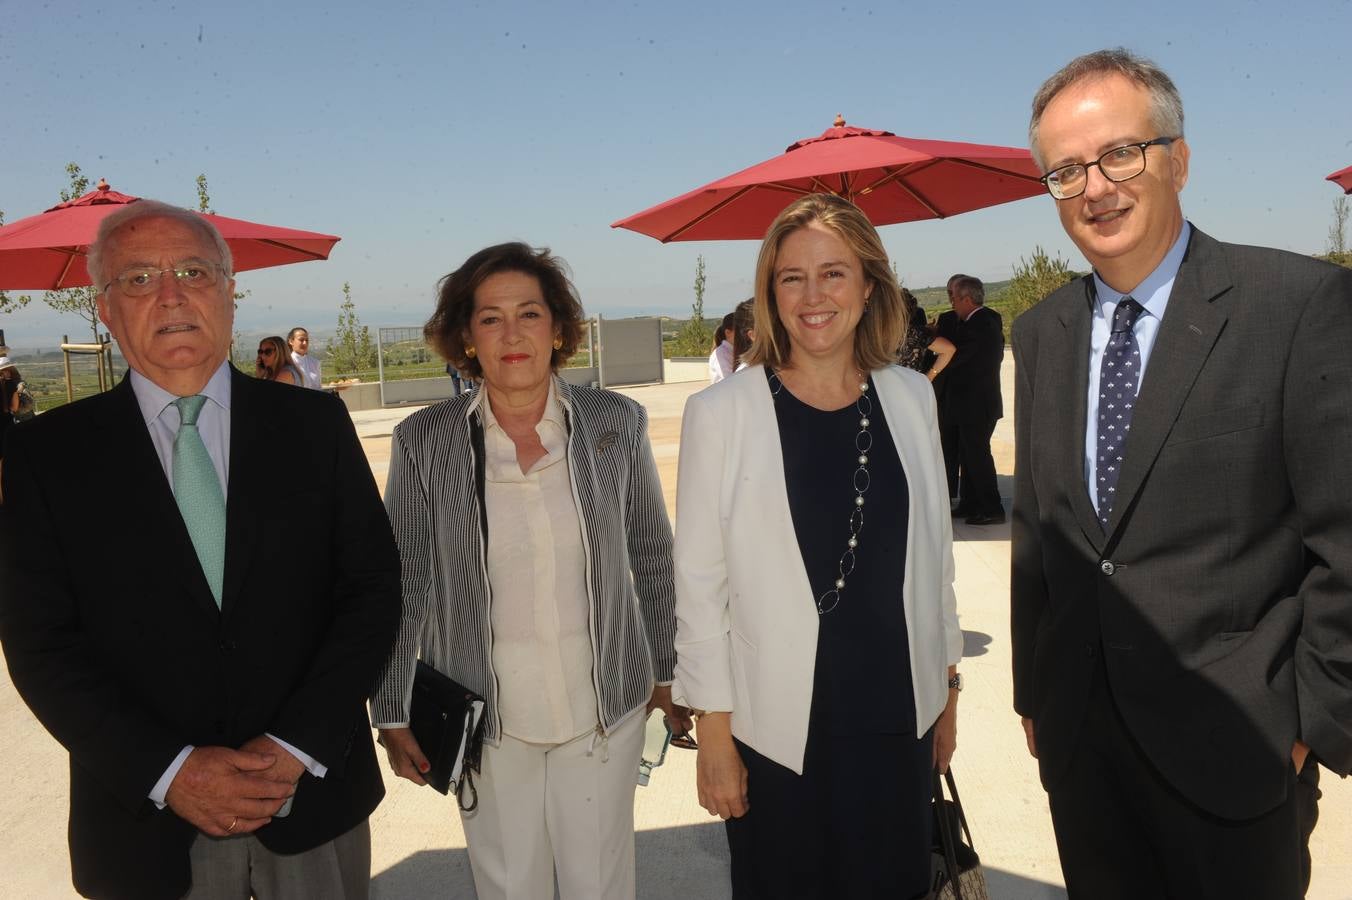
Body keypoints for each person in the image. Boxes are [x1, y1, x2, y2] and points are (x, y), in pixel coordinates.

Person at [1012, 49, 1352, 900]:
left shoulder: (1296, 306)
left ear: (1179, 159)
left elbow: (1344, 537)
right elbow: (1039, 533)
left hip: (1236, 751)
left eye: (1119, 154)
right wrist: (1035, 694)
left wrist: (1309, 720)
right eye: (1064, 171)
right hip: (1083, 750)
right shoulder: (1042, 331)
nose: (1095, 187)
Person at [0, 200, 402, 900]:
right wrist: (171, 771)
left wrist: (296, 746)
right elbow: (39, 643)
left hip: (311, 803)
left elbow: (369, 590)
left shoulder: (316, 426)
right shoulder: (43, 456)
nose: (171, 294)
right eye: (138, 278)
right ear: (103, 307)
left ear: (228, 290)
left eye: (193, 270)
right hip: (144, 822)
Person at [372, 242, 684, 900]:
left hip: (605, 707)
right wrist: (392, 707)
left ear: (560, 329)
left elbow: (652, 554)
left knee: (600, 884)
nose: (512, 333)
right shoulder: (423, 441)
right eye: (490, 318)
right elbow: (406, 580)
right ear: (466, 336)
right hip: (487, 714)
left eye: (530, 314)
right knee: (510, 888)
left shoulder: (614, 422)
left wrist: (666, 672)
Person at [673, 193, 961, 899]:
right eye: (791, 276)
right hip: (775, 731)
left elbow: (935, 561)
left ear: (869, 285)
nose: (813, 295)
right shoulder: (720, 413)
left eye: (833, 273)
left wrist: (948, 690)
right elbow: (699, 584)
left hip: (899, 715)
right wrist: (714, 732)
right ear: (770, 294)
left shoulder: (911, 398)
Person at [944, 275, 1005, 525]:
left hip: (977, 405)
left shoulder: (980, 326)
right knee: (969, 457)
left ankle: (992, 508)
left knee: (978, 457)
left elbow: (957, 358)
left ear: (967, 299)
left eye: (955, 299)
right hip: (972, 404)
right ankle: (971, 503)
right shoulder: (984, 320)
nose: (953, 304)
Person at [933, 275, 965, 503]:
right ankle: (949, 491)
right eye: (949, 294)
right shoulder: (944, 319)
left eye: (953, 294)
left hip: (970, 397)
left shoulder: (988, 319)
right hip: (944, 395)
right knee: (947, 448)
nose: (951, 299)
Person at [897, 290, 956, 383]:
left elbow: (949, 349)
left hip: (908, 389)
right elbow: (948, 350)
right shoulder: (916, 332)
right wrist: (929, 377)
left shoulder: (913, 333)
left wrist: (929, 377)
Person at [708, 312, 735, 383]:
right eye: (740, 331)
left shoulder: (731, 351)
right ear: (728, 333)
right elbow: (732, 381)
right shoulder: (721, 354)